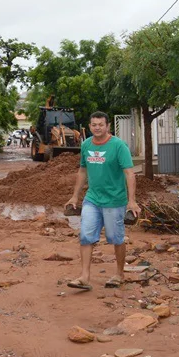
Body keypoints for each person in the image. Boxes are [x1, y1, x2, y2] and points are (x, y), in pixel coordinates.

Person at [65, 112, 142, 291]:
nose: (97, 127)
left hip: (115, 200)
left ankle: (119, 274)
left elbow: (129, 173)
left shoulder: (118, 146)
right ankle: (84, 277)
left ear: (108, 126)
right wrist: (75, 196)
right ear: (90, 126)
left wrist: (132, 201)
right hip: (92, 199)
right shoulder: (86, 144)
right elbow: (82, 171)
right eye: (94, 124)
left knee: (116, 238)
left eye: (100, 124)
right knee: (85, 236)